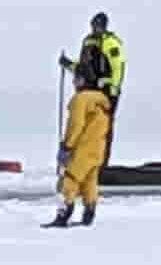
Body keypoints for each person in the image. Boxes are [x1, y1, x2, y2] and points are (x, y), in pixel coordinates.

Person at [44, 63, 112, 227]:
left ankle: (63, 215)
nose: (74, 82)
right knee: (90, 181)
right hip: (98, 149)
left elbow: (76, 125)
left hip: (82, 148)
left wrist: (67, 146)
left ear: (83, 80)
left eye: (76, 78)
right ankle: (89, 214)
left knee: (69, 180)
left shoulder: (80, 100)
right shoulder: (100, 100)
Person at [59, 11, 126, 163]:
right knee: (82, 126)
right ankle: (80, 162)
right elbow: (83, 67)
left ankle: (101, 164)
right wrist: (68, 64)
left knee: (101, 129)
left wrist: (113, 88)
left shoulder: (111, 43)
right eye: (94, 25)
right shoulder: (88, 42)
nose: (96, 28)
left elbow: (118, 67)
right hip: (87, 90)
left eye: (98, 26)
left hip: (105, 92)